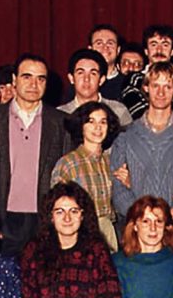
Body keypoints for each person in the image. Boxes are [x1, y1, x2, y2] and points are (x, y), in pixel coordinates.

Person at [0, 53, 70, 255]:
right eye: (27, 77)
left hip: (44, 218)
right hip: (1, 216)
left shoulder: (61, 122)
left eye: (40, 79)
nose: (34, 84)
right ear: (13, 80)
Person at [110, 62, 173, 251]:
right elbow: (118, 188)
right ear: (146, 88)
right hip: (136, 226)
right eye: (155, 86)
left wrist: (168, 215)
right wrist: (141, 218)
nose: (161, 93)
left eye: (167, 86)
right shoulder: (126, 136)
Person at [51, 101, 122, 251]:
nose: (98, 127)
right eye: (91, 122)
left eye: (103, 122)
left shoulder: (111, 163)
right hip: (79, 234)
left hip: (108, 232)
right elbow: (56, 207)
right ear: (81, 127)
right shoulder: (68, 164)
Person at [57, 48, 132, 127]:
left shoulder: (118, 110)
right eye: (80, 73)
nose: (86, 79)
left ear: (101, 80)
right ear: (71, 78)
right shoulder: (60, 114)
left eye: (93, 73)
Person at [121, 24, 173, 119]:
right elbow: (137, 112)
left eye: (165, 45)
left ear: (172, 51)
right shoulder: (134, 80)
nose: (159, 50)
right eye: (154, 44)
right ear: (146, 51)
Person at [88, 24, 124, 101]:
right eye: (99, 43)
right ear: (90, 49)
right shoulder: (81, 83)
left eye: (110, 43)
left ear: (118, 50)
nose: (105, 47)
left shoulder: (127, 84)